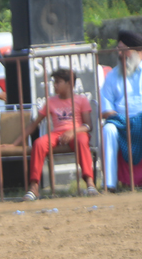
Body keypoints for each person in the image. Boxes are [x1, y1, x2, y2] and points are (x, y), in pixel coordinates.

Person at [14, 68, 96, 201]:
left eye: (58, 82)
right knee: (39, 143)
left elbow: (88, 126)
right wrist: (14, 144)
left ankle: (89, 182)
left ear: (69, 83)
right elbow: (34, 124)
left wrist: (73, 131)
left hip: (76, 133)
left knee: (82, 140)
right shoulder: (51, 101)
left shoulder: (81, 100)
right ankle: (34, 186)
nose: (54, 85)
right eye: (54, 82)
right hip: (57, 134)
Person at [99, 30, 142, 192]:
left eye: (124, 50)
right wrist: (123, 120)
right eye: (118, 49)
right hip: (119, 121)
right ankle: (110, 184)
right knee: (108, 130)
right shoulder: (112, 76)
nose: (120, 54)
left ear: (137, 51)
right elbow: (106, 108)